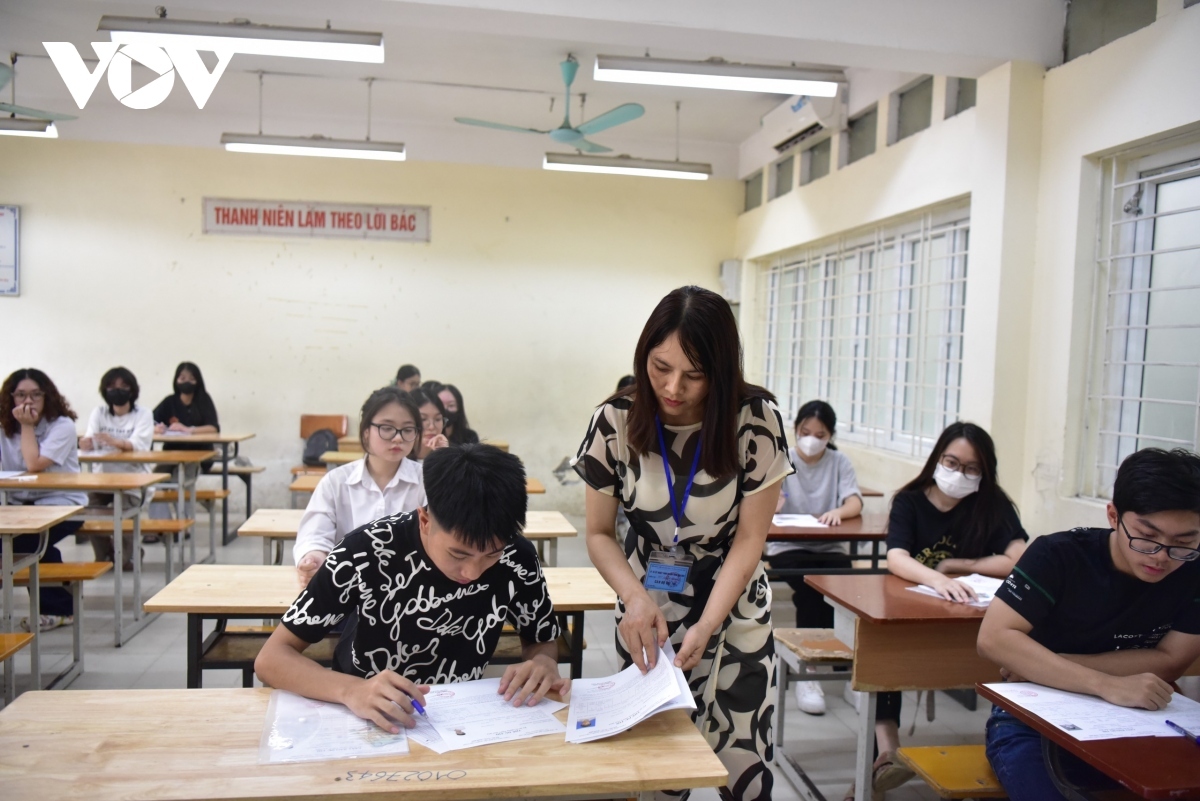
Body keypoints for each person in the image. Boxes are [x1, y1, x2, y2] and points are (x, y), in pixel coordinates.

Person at [573, 286, 793, 801]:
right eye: (660, 367)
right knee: (658, 764)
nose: (673, 387)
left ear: (721, 371)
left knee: (743, 756)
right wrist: (635, 599)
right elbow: (600, 533)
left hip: (734, 601)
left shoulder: (754, 420)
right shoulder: (616, 421)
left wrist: (710, 621)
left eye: (694, 375)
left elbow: (750, 540)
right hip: (648, 601)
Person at [255, 444, 569, 731]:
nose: (472, 572)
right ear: (425, 520)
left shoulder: (517, 557)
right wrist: (350, 690)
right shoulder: (365, 552)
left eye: (491, 555)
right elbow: (271, 659)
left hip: (459, 720)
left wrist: (543, 663)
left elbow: (540, 640)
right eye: (458, 554)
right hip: (366, 713)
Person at [978, 448, 1200, 800]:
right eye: (1147, 536)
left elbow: (1172, 659)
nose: (1161, 556)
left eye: (1183, 543)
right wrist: (1106, 684)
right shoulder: (1059, 555)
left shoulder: (1192, 572)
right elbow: (994, 639)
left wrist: (1043, 665)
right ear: (1114, 516)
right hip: (1035, 720)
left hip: (1146, 716)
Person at [860, 421, 1028, 798]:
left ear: (984, 473)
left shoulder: (993, 505)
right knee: (883, 658)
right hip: (907, 612)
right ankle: (885, 752)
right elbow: (897, 557)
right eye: (952, 462)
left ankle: (1007, 753)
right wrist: (936, 580)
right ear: (937, 459)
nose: (959, 474)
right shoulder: (911, 500)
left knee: (1015, 657)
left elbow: (1019, 557)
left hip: (970, 614)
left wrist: (959, 566)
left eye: (971, 469)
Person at [765, 400, 862, 716]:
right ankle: (808, 672)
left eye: (819, 434)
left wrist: (838, 511)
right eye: (805, 432)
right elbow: (764, 503)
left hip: (828, 548)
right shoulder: (783, 458)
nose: (811, 439)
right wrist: (774, 503)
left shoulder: (839, 462)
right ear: (795, 431)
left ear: (829, 435)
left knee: (846, 594)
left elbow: (854, 502)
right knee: (810, 590)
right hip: (788, 548)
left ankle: (852, 676)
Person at [294, 387, 426, 587]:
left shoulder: (428, 481)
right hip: (347, 590)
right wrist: (314, 558)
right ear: (366, 432)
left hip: (410, 590)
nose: (398, 437)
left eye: (408, 429)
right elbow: (314, 534)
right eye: (387, 428)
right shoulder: (336, 482)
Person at [0, 368, 86, 632]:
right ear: (10, 397)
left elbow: (34, 464)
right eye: (21, 395)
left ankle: (59, 608)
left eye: (36, 394)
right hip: (18, 505)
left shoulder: (62, 426)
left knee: (28, 540)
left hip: (63, 504)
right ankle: (59, 602)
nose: (28, 401)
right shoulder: (4, 427)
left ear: (47, 396)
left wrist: (27, 426)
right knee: (24, 540)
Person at [80, 366, 155, 567]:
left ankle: (129, 554)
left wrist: (115, 442)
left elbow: (139, 445)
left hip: (133, 481)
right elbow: (89, 438)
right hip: (102, 480)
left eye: (123, 386)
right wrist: (85, 443)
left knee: (124, 523)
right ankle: (104, 553)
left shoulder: (143, 414)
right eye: (112, 386)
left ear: (132, 390)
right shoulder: (100, 412)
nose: (117, 390)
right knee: (85, 510)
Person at [151, 362, 219, 519]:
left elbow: (213, 428)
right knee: (154, 482)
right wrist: (158, 428)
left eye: (191, 379)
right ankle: (160, 528)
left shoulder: (203, 400)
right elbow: (150, 420)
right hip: (171, 455)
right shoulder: (169, 402)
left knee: (179, 483)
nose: (186, 382)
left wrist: (190, 430)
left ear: (198, 381)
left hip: (197, 456)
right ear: (176, 380)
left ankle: (185, 523)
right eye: (182, 378)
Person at [408, 388, 450, 461]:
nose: (431, 427)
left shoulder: (451, 457)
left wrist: (445, 455)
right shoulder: (396, 460)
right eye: (423, 419)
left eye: (437, 419)